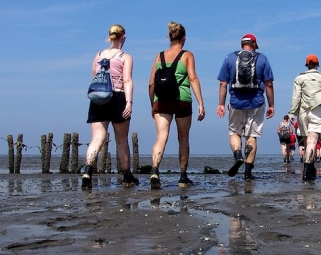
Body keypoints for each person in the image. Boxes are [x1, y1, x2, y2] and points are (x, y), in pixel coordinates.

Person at [148, 22, 206, 189]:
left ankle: (155, 171)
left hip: (162, 101)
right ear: (184, 38)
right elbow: (193, 78)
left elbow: (151, 84)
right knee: (183, 138)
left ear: (170, 37)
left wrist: (153, 103)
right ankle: (182, 177)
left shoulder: (159, 56)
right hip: (182, 100)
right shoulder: (187, 55)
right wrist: (201, 103)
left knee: (161, 136)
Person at [80, 24, 138, 189]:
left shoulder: (98, 55)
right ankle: (127, 175)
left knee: (97, 138)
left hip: (98, 98)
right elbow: (127, 80)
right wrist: (129, 102)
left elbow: (94, 76)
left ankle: (87, 171)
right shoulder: (125, 56)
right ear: (123, 37)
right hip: (118, 96)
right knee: (121, 140)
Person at [216, 33, 275, 180]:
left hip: (236, 102)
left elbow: (223, 83)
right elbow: (269, 84)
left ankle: (237, 156)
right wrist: (271, 105)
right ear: (254, 44)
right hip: (256, 102)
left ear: (242, 44)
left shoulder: (230, 58)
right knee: (251, 137)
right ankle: (248, 174)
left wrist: (221, 104)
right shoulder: (262, 58)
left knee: (234, 132)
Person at [288, 54, 321, 181]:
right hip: (317, 110)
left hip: (303, 112)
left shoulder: (299, 78)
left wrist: (292, 113)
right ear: (317, 64)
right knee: (312, 142)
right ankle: (308, 170)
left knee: (306, 142)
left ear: (307, 65)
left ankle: (309, 168)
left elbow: (296, 97)